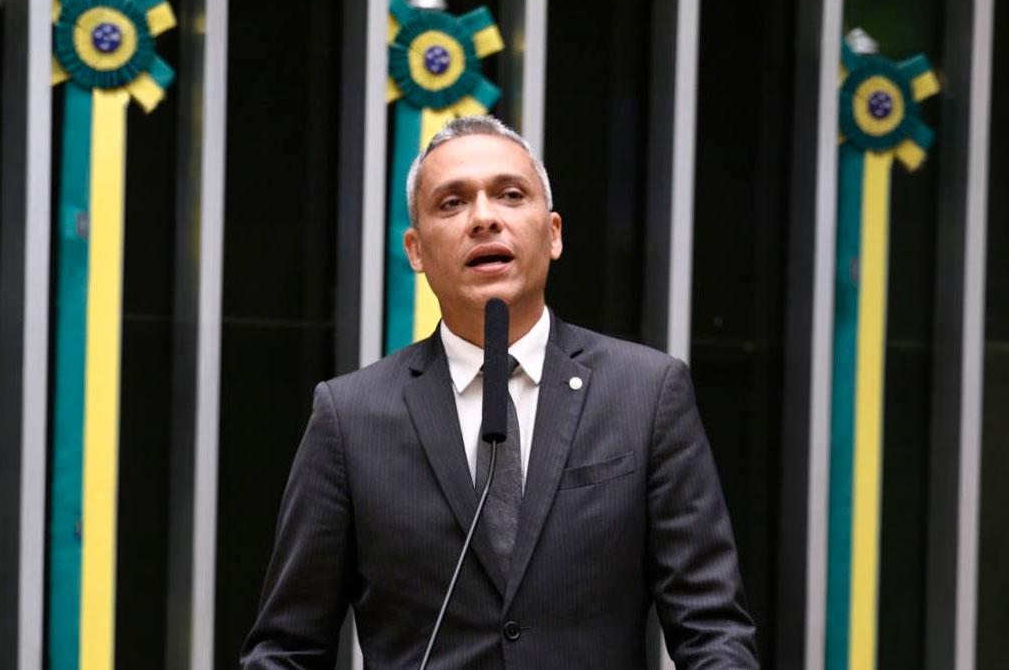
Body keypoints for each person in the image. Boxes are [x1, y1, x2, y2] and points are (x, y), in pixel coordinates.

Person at [240, 116, 758, 669]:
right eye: (452, 203)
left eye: (510, 195)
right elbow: (288, 649)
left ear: (553, 232)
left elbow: (713, 631)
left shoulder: (647, 393)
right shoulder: (350, 416)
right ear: (415, 251)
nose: (484, 218)